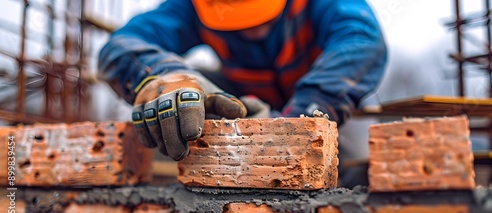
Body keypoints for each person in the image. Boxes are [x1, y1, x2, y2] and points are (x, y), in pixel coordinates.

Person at [98, 0, 387, 161]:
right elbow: (120, 46)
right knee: (190, 86)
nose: (254, 32)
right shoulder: (188, 6)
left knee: (349, 170)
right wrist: (165, 75)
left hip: (323, 105)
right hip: (242, 105)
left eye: (263, 19)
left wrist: (305, 116)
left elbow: (361, 40)